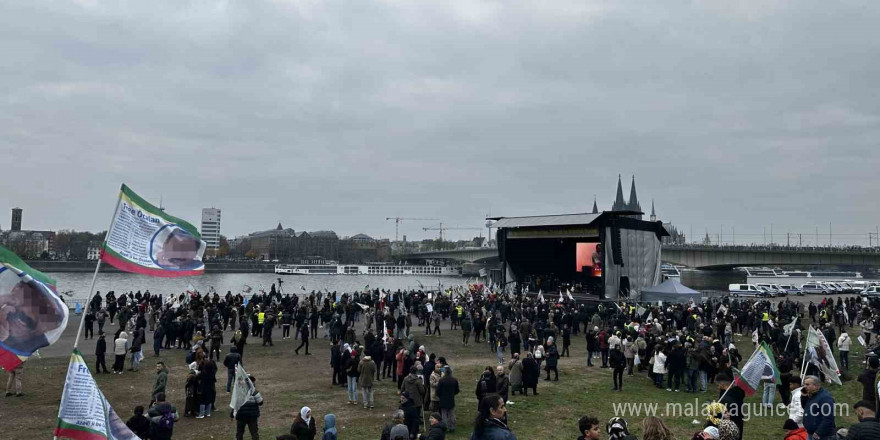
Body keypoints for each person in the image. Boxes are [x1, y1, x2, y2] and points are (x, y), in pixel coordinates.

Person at [802, 375, 836, 440]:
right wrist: (803, 397)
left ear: (816, 386)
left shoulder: (825, 398)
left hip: (822, 436)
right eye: (804, 385)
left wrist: (818, 432)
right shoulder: (812, 395)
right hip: (811, 433)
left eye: (807, 385)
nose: (805, 387)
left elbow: (828, 418)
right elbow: (806, 408)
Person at [234, 374, 263, 440]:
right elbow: (260, 402)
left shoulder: (238, 392)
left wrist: (232, 413)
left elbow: (234, 403)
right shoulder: (255, 392)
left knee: (239, 433)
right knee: (254, 432)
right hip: (252, 416)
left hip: (241, 415)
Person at [716, 374, 744, 439]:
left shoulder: (726, 399)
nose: (717, 387)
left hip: (729, 427)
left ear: (722, 384)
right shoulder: (736, 393)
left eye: (718, 385)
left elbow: (721, 414)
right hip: (738, 423)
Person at [436, 366, 460, 433]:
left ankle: (444, 427)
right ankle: (452, 427)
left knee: (444, 415)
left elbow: (438, 391)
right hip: (451, 399)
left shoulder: (441, 380)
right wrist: (453, 394)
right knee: (451, 414)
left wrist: (440, 396)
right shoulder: (454, 380)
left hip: (443, 399)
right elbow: (457, 390)